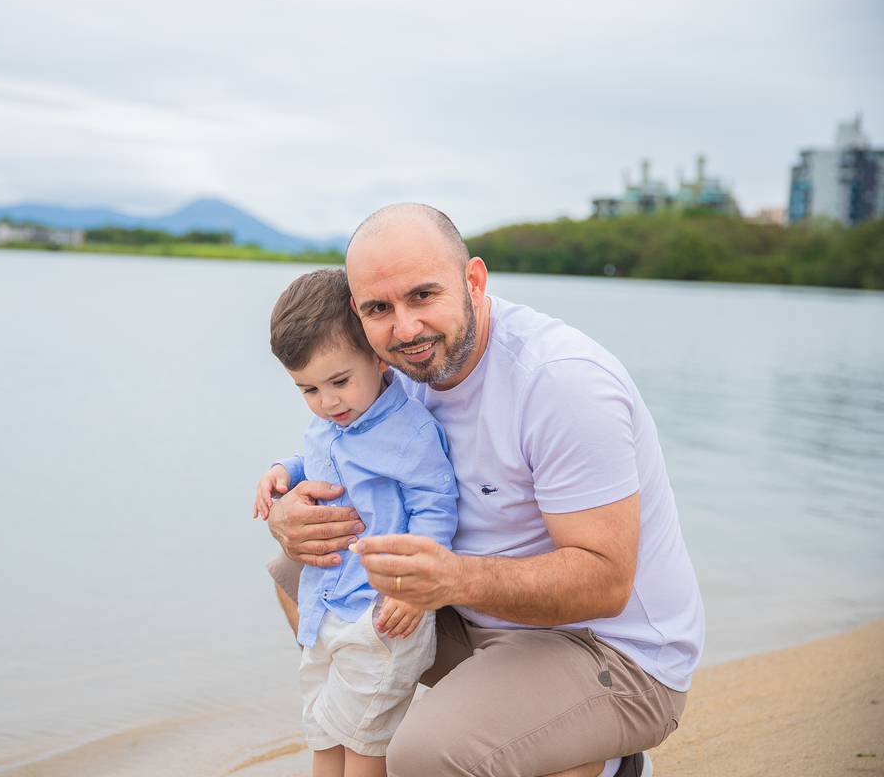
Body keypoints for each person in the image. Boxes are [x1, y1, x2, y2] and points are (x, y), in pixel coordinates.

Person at [265, 203, 704, 777]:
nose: (405, 328)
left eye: (423, 296)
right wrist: (289, 513)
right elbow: (341, 464)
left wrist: (453, 576)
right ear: (358, 313)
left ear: (473, 281)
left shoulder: (561, 384)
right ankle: (468, 725)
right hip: (477, 618)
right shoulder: (395, 372)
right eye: (379, 308)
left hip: (612, 651)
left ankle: (607, 762)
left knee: (423, 759)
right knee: (295, 575)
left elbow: (607, 582)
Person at [254, 268, 459, 777]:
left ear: (375, 353)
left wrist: (415, 588)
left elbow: (437, 507)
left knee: (365, 746)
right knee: (322, 729)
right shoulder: (331, 422)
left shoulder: (410, 432)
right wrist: (285, 470)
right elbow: (319, 457)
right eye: (308, 390)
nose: (328, 402)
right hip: (326, 607)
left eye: (339, 382)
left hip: (383, 615)